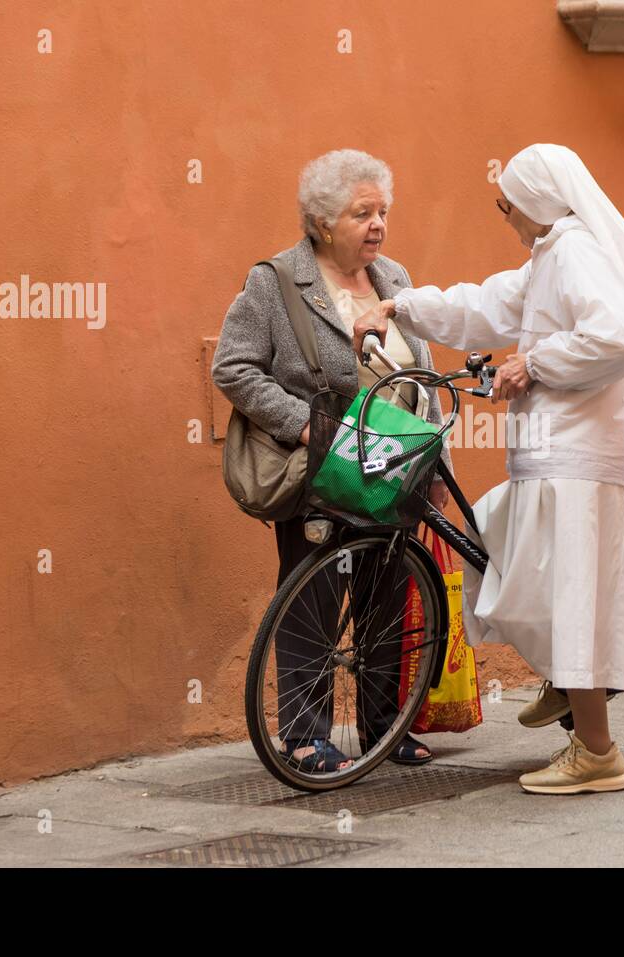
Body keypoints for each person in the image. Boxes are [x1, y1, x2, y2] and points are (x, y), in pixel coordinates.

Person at [354, 143, 624, 794]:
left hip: (577, 454)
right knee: (501, 547)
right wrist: (403, 308)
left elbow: (612, 337)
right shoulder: (554, 254)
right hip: (555, 451)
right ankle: (564, 677)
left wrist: (534, 364)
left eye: (508, 205)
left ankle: (597, 751)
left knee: (572, 594)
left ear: (537, 201)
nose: (506, 216)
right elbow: (485, 305)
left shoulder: (577, 252)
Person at [212, 149, 452, 771]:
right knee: (313, 597)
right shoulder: (276, 282)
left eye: (383, 212)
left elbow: (419, 374)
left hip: (395, 461)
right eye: (362, 213)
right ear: (322, 221)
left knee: (390, 593)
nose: (378, 225)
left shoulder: (393, 278)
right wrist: (305, 430)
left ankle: (383, 728)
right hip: (325, 464)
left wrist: (436, 456)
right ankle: (303, 736)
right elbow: (233, 367)